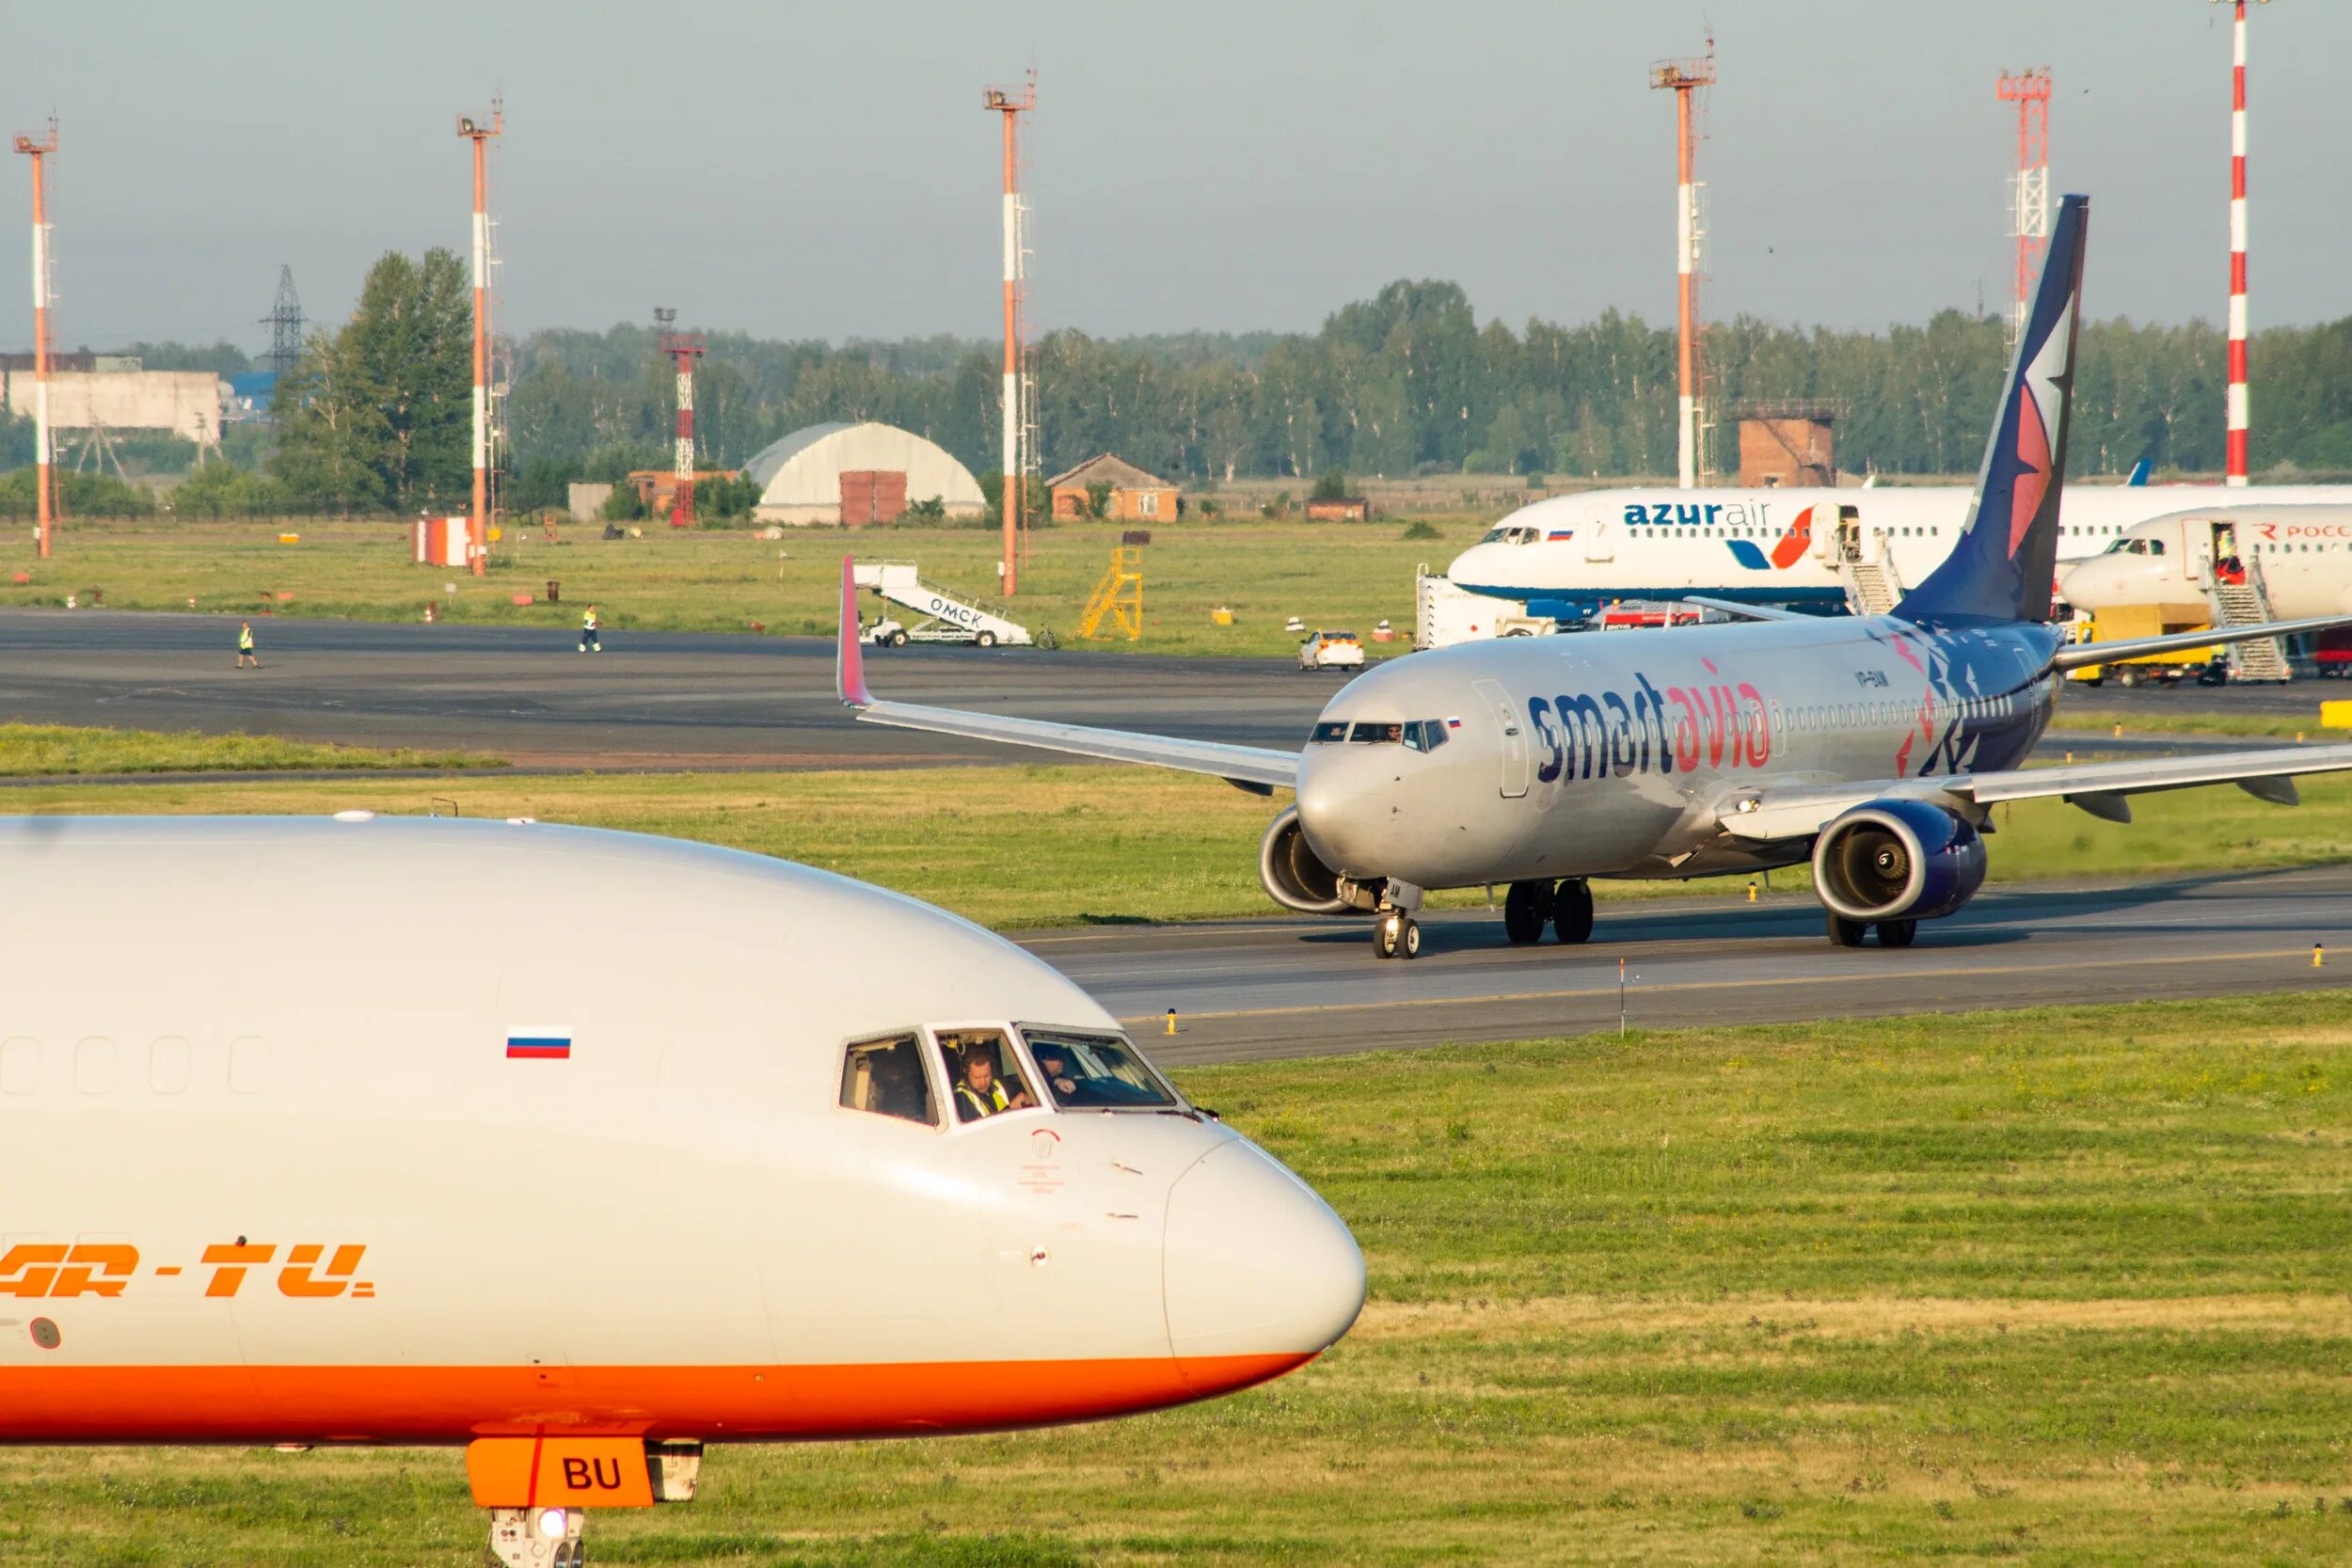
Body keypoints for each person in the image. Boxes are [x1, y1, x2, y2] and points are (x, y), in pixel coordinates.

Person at [951, 1045, 1032, 1122]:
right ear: (965, 1072)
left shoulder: (999, 1085)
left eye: (986, 1076)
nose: (983, 1082)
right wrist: (1010, 1108)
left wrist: (1027, 1098)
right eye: (977, 1077)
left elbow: (1028, 1095)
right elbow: (975, 1129)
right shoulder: (960, 1097)